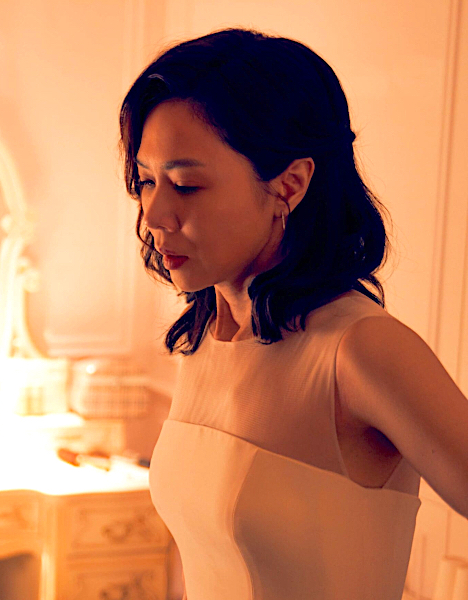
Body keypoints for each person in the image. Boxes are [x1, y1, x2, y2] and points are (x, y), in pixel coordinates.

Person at [122, 28, 468, 599]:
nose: (154, 213)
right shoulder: (206, 337)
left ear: (291, 183)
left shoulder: (359, 351)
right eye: (146, 180)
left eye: (185, 184)